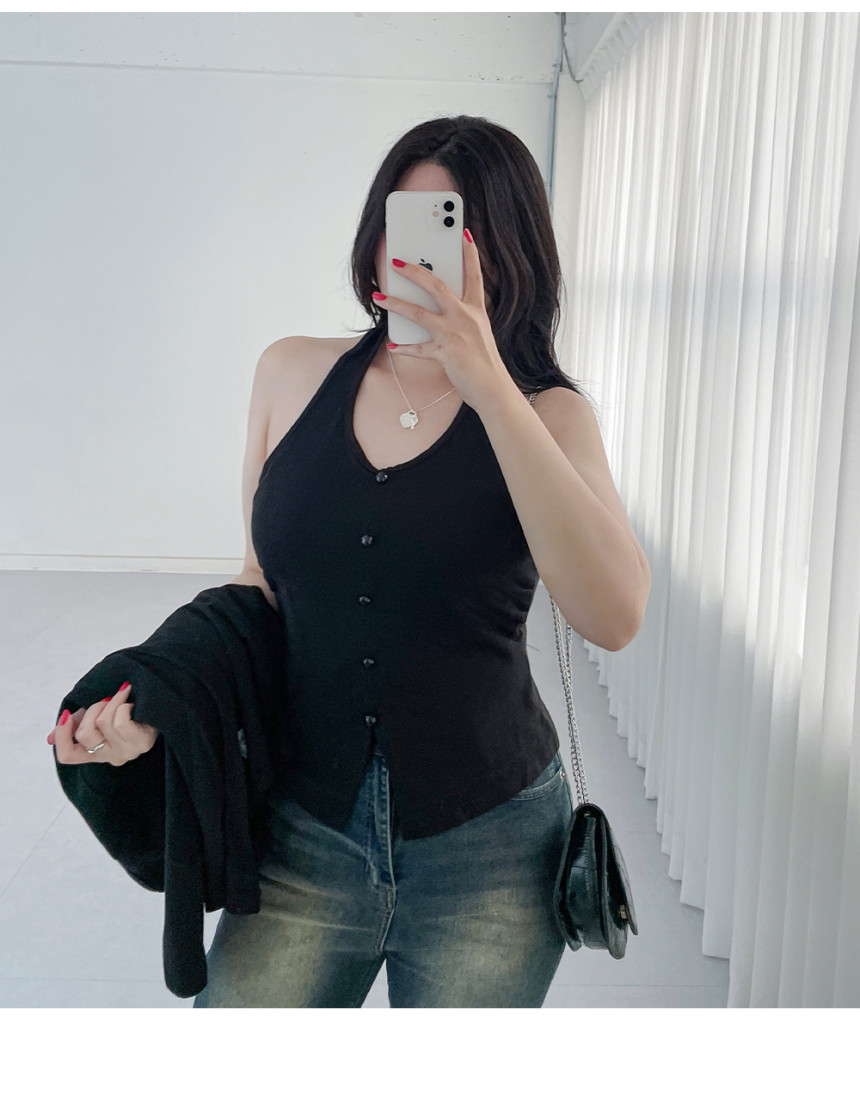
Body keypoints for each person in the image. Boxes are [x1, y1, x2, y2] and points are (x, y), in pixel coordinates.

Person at [49, 115, 650, 1007]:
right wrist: (160, 707)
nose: (416, 257)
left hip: (492, 850)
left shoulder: (550, 415)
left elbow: (614, 616)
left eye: (451, 229)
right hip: (304, 833)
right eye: (400, 223)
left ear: (508, 250)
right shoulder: (290, 372)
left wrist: (490, 385)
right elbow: (260, 587)